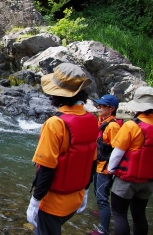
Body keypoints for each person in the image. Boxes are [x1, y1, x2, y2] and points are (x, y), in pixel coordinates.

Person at [26, 63, 98, 235]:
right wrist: (86, 191)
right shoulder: (92, 119)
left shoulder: (55, 123)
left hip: (53, 204)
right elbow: (92, 162)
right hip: (76, 198)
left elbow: (46, 169)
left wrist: (34, 201)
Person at [107, 86, 153, 235]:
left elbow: (117, 153)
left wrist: (111, 170)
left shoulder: (131, 125)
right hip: (148, 180)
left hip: (127, 179)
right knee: (139, 215)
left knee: (119, 214)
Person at [90, 94, 122, 235]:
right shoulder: (102, 121)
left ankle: (103, 230)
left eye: (102, 106)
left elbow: (117, 150)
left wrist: (112, 169)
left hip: (105, 168)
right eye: (98, 105)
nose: (99, 107)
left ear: (111, 108)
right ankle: (103, 212)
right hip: (97, 164)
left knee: (102, 198)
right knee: (97, 192)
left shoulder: (113, 126)